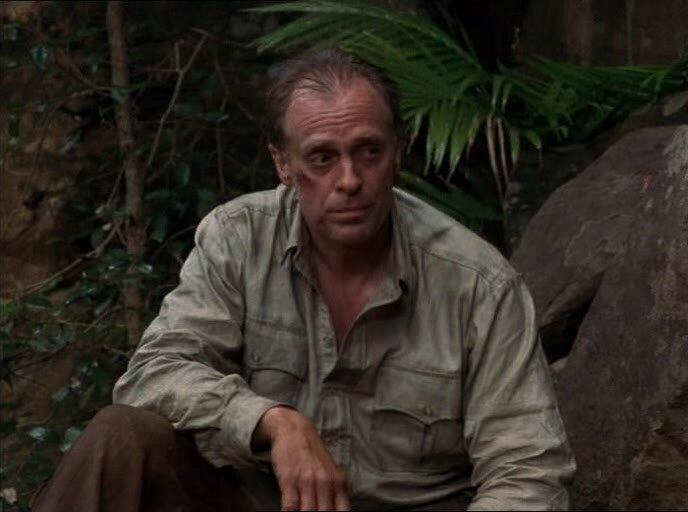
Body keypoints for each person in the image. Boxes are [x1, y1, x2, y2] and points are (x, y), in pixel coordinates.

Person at [33, 48, 575, 512]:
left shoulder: (479, 284)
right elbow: (153, 373)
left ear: (398, 151)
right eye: (322, 157)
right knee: (121, 435)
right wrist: (272, 421)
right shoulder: (239, 239)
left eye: (368, 151)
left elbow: (528, 471)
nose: (349, 180)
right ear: (283, 164)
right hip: (259, 501)